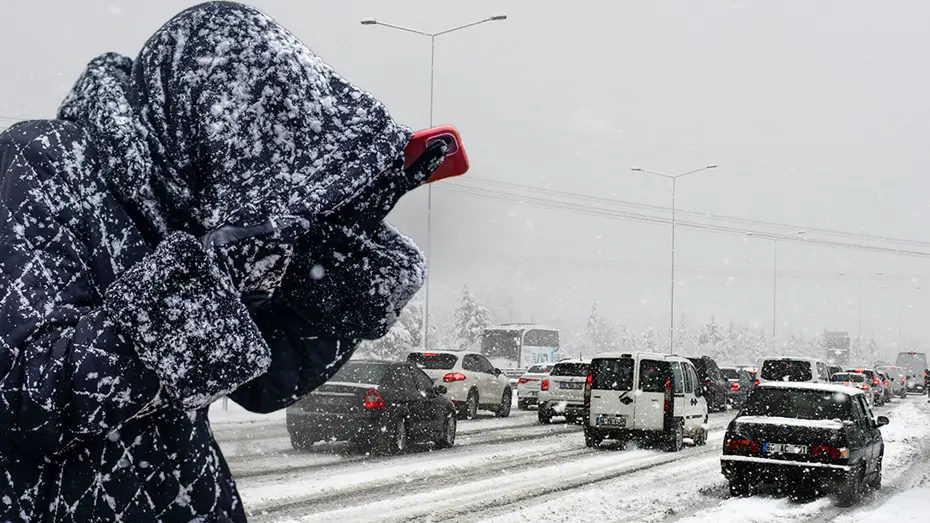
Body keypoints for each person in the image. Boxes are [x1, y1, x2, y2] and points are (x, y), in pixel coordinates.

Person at [0, 2, 446, 521]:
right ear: (206, 116)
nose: (259, 179)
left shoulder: (195, 205)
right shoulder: (42, 160)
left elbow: (262, 386)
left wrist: (333, 287)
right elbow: (22, 394)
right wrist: (207, 291)